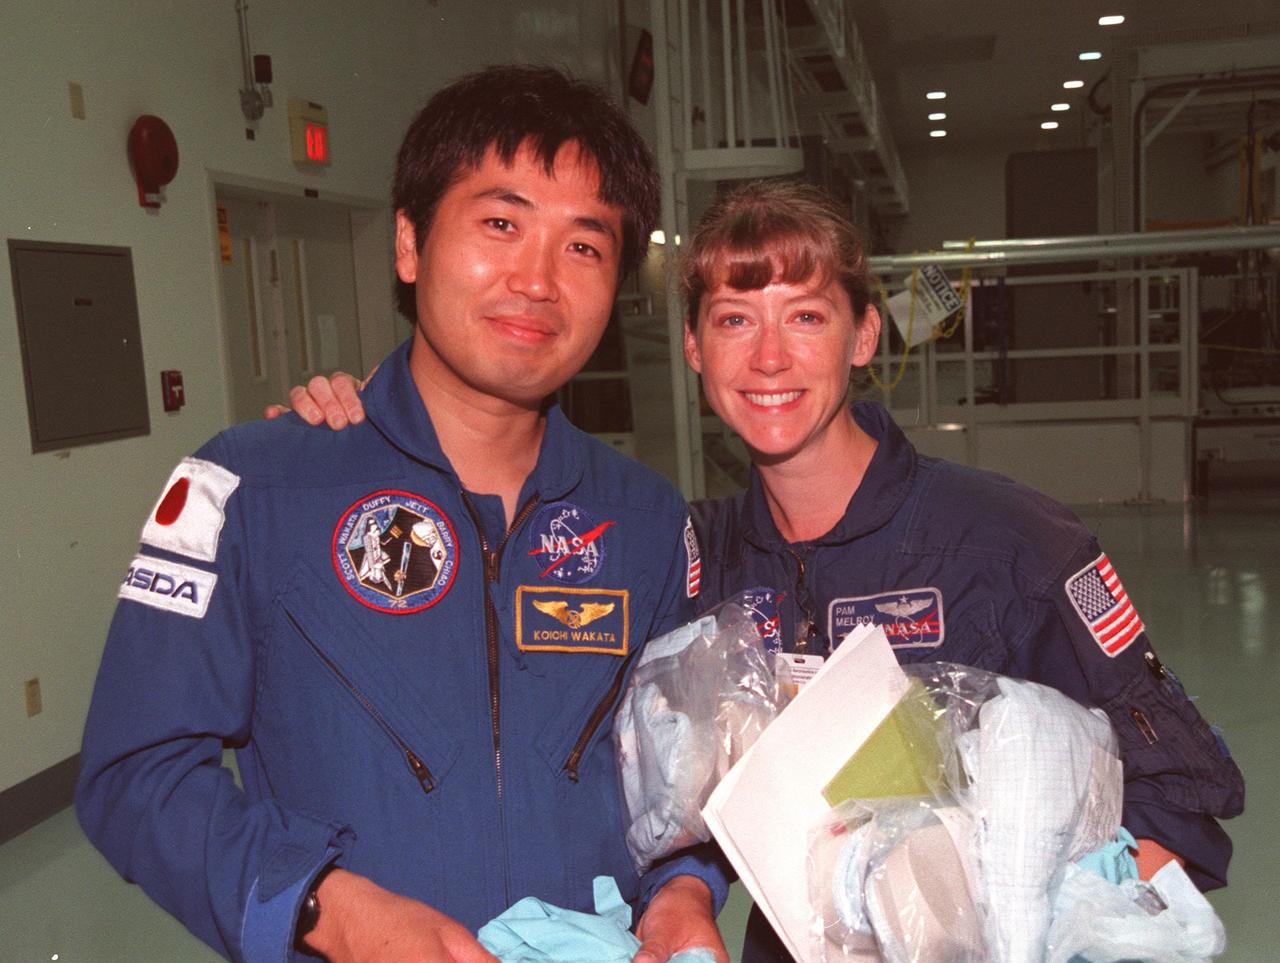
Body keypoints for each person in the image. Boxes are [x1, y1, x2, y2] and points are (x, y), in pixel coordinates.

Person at [287, 181, 1244, 962]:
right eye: (736, 319)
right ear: (695, 349)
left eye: (807, 316)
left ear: (863, 336)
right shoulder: (687, 554)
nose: (771, 357)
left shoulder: (1010, 542)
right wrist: (366, 431)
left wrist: (1024, 921)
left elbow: (1184, 802)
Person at [77, 65, 729, 963]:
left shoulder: (645, 520)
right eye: (500, 224)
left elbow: (678, 786)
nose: (538, 279)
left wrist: (684, 893)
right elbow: (136, 773)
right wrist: (326, 907)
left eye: (584, 245)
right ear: (409, 244)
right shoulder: (255, 488)